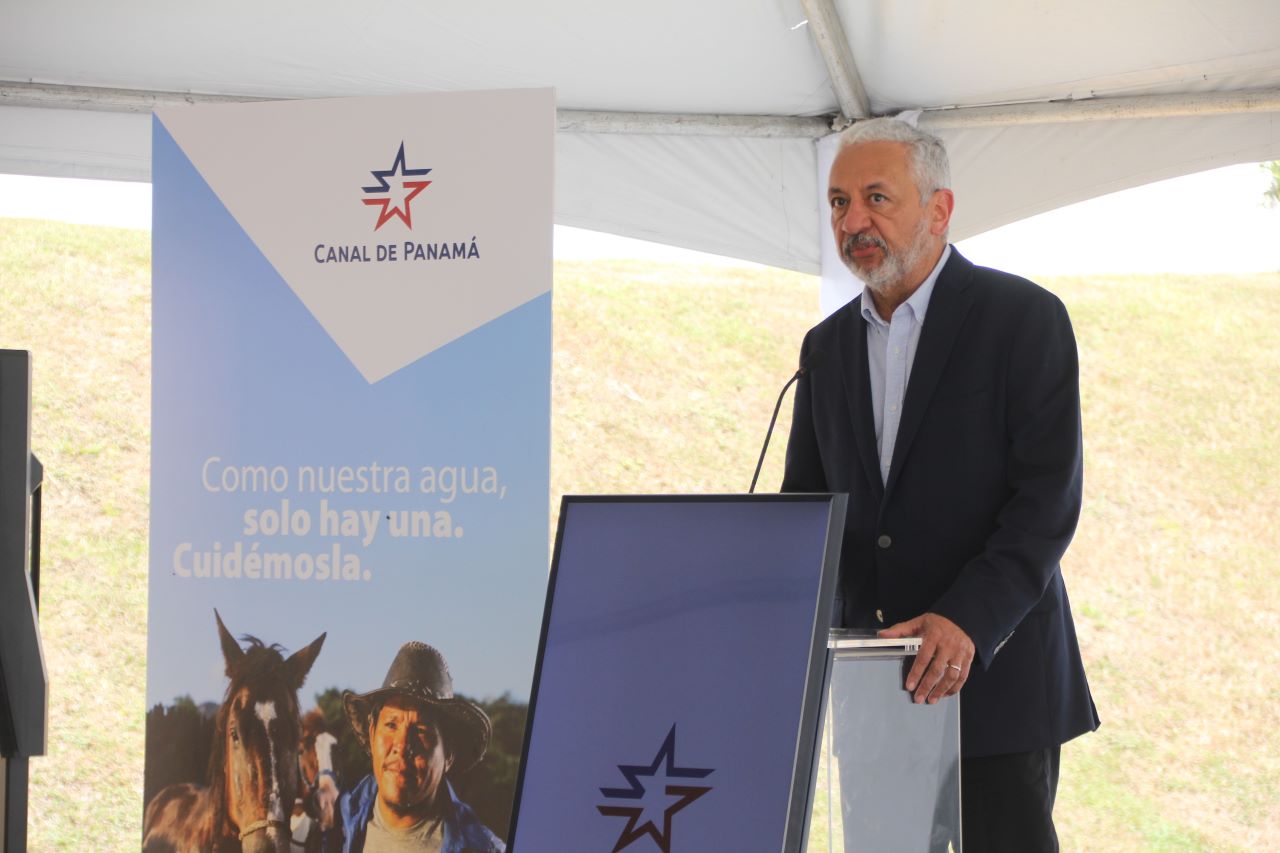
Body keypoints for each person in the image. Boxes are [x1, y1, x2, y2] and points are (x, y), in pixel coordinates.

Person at [783, 116, 1099, 852]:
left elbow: (1045, 502)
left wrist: (966, 619)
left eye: (874, 198)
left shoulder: (1023, 319)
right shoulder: (824, 349)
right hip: (875, 697)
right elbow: (807, 513)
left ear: (938, 209)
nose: (852, 220)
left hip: (995, 680)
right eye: (837, 202)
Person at [337, 642, 505, 853]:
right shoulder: (333, 826)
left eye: (421, 730)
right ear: (372, 733)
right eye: (391, 725)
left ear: (448, 755)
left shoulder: (481, 848)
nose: (402, 745)